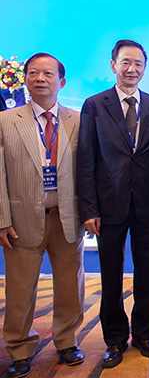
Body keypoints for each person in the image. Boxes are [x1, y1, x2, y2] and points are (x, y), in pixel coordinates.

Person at [77, 40, 149, 367]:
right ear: (113, 65)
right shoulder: (94, 106)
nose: (132, 69)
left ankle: (144, 333)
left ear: (145, 68)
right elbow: (86, 159)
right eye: (126, 62)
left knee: (148, 273)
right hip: (108, 205)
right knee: (110, 275)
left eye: (138, 64)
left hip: (147, 205)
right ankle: (114, 338)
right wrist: (89, 209)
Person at [0, 53, 85, 378]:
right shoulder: (6, 121)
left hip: (67, 218)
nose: (40, 79)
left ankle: (67, 341)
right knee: (20, 290)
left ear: (61, 81)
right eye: (33, 73)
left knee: (70, 286)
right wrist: (2, 219)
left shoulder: (78, 120)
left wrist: (89, 212)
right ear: (25, 80)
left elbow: (89, 171)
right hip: (21, 221)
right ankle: (20, 349)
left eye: (48, 74)